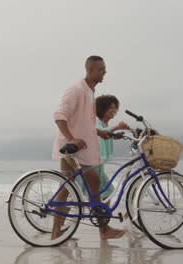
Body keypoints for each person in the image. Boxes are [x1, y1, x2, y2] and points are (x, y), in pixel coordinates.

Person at [51, 55, 127, 240]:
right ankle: (103, 230)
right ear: (90, 69)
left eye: (104, 69)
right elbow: (60, 116)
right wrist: (72, 139)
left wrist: (99, 132)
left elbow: (83, 121)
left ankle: (57, 232)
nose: (104, 72)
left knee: (71, 187)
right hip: (72, 149)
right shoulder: (76, 90)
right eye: (101, 69)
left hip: (80, 150)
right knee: (88, 183)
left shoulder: (89, 92)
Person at [75, 94, 129, 201]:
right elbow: (100, 132)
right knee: (93, 192)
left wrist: (115, 135)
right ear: (102, 109)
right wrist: (117, 127)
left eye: (115, 107)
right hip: (91, 162)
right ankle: (97, 215)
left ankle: (99, 216)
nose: (113, 110)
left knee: (104, 192)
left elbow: (105, 135)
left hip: (98, 163)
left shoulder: (105, 124)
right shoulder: (96, 121)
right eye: (110, 107)